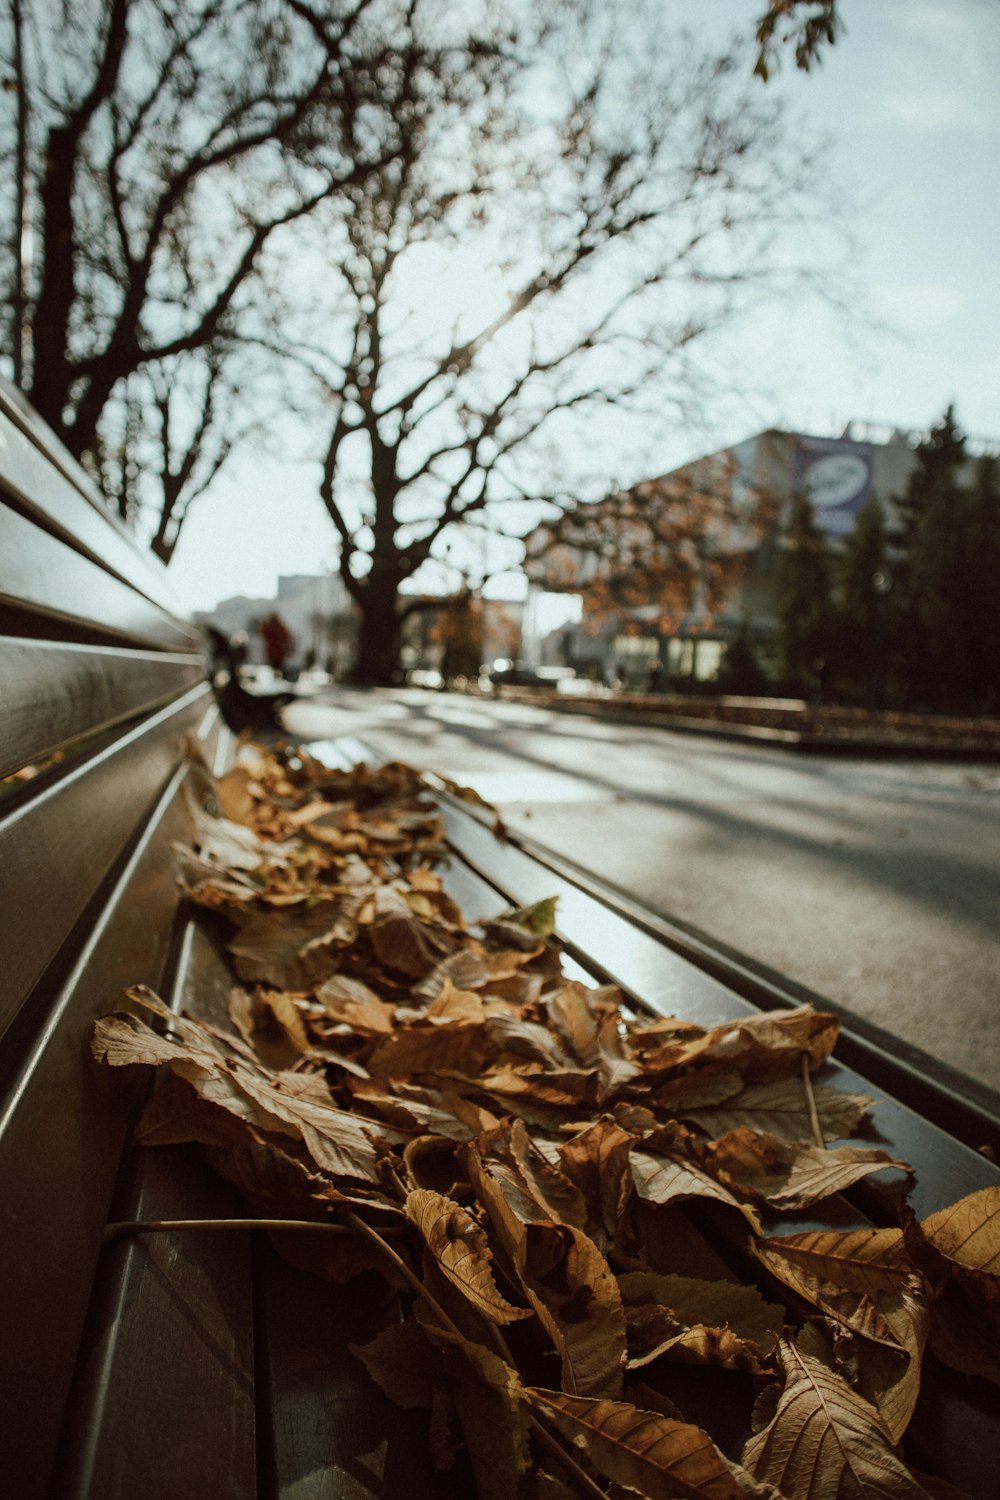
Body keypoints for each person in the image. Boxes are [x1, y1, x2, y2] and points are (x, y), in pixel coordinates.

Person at [260, 613, 293, 678]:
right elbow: (263, 632)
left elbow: (286, 637)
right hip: (273, 653)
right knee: (274, 669)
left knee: (279, 669)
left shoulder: (279, 627)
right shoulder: (271, 627)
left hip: (279, 653)